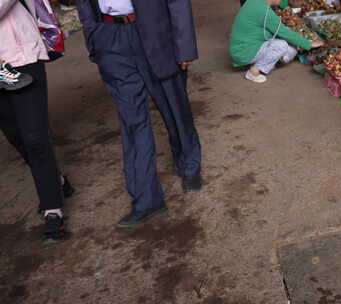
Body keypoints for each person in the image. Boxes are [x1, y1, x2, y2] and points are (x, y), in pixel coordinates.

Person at [77, 0, 203, 227]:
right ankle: (146, 199)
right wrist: (94, 36)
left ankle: (189, 163)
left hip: (156, 34)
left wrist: (184, 46)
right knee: (132, 121)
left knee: (174, 106)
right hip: (110, 37)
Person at [0, 0, 74, 245]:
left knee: (34, 137)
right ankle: (55, 179)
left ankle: (53, 210)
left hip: (22, 56)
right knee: (15, 135)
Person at [230, 0, 324, 83]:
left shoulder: (255, 2)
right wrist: (309, 44)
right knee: (281, 45)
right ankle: (254, 72)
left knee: (292, 50)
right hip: (243, 52)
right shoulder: (265, 12)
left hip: (242, 47)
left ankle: (264, 62)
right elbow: (284, 32)